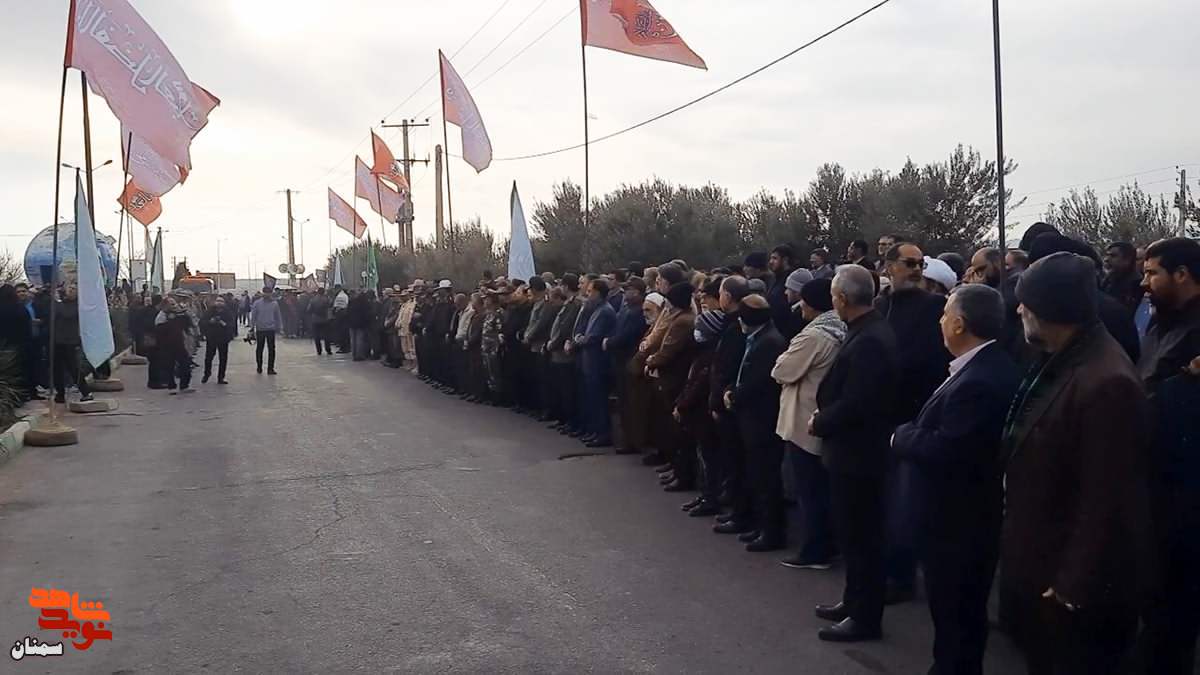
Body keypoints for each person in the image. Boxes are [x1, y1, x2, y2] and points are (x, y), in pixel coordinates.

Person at [1001, 252, 1152, 674]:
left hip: (1073, 590)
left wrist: (1071, 586)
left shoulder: (1107, 382)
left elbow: (1107, 497)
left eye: (1027, 304)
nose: (1019, 311)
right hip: (1041, 562)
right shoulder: (1063, 357)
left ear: (1052, 309)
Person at [892, 284, 1019, 675]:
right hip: (956, 521)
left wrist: (901, 436)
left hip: (957, 524)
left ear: (960, 324)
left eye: (946, 313)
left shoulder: (980, 381)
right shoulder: (978, 367)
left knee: (957, 617)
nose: (940, 321)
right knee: (954, 618)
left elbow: (947, 448)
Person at [811, 264, 899, 643]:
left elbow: (858, 402)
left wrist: (821, 421)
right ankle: (853, 600)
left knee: (863, 538)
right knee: (851, 536)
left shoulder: (871, 340)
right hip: (850, 452)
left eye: (834, 296)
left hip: (860, 455)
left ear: (843, 299)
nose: (833, 302)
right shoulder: (864, 330)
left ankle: (865, 617)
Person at [1135, 237, 1200, 674]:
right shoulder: (1164, 322)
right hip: (1154, 483)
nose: (1144, 282)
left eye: (1152, 273)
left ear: (1181, 274)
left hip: (1186, 496)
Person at [877, 242, 950, 603]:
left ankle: (902, 577)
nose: (917, 269)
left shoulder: (934, 307)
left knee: (904, 502)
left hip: (916, 416)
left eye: (920, 263)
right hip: (879, 418)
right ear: (889, 266)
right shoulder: (879, 306)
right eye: (909, 263)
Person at [772, 277, 844, 570]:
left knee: (809, 489)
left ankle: (815, 549)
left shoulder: (814, 335)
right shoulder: (841, 328)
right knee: (821, 488)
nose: (799, 305)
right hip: (822, 414)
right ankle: (828, 543)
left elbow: (782, 370)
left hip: (805, 418)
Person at [720, 293, 788, 552]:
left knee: (766, 477)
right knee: (755, 474)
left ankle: (771, 531)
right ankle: (758, 524)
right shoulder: (758, 337)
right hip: (750, 417)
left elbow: (759, 382)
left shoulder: (770, 342)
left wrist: (734, 396)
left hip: (762, 418)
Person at [645, 282, 698, 488]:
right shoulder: (679, 318)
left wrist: (652, 361)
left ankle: (683, 474)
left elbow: (669, 350)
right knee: (672, 428)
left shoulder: (682, 321)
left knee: (679, 430)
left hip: (675, 377)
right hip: (672, 376)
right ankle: (676, 467)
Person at [675, 304, 724, 516]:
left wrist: (682, 405)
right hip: (697, 414)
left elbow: (699, 385)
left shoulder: (711, 355)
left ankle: (710, 498)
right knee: (703, 455)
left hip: (703, 413)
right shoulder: (702, 353)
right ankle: (705, 495)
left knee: (709, 458)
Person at [605, 277, 648, 452]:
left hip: (629, 358)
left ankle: (633, 441)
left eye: (629, 290)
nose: (626, 293)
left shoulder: (638, 312)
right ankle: (626, 438)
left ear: (637, 292)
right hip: (620, 359)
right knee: (624, 402)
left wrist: (610, 342)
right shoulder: (626, 309)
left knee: (631, 404)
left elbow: (628, 335)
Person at [575, 279, 618, 447]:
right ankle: (595, 431)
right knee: (593, 399)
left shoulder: (605, 311)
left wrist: (579, 340)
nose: (587, 294)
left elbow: (594, 337)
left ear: (598, 293)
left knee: (599, 400)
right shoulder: (596, 309)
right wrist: (580, 337)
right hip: (591, 362)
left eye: (590, 291)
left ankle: (603, 434)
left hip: (598, 362)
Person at [51, 283, 95, 404]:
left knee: (73, 368)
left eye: (74, 289)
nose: (71, 290)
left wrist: (57, 303)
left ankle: (86, 392)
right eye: (69, 288)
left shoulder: (77, 305)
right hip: (57, 340)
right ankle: (60, 393)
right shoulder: (60, 303)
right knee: (57, 369)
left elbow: (68, 314)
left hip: (70, 341)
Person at [154, 295, 194, 393]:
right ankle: (171, 386)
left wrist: (184, 314)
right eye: (171, 304)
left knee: (185, 364)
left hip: (179, 343)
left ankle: (184, 385)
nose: (174, 306)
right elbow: (159, 331)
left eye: (174, 303)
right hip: (167, 345)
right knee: (169, 366)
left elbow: (188, 324)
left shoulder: (180, 314)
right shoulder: (162, 316)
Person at [200, 295, 235, 384]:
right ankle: (207, 374)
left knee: (223, 359)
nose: (219, 303)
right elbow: (202, 322)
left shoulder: (227, 312)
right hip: (212, 337)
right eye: (218, 301)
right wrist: (210, 322)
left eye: (221, 301)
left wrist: (223, 323)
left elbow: (231, 324)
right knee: (209, 357)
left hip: (223, 338)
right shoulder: (209, 312)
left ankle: (221, 377)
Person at [1102, 241, 1143, 314]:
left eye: (1113, 256)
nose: (1106, 259)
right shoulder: (1108, 280)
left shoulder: (1138, 285)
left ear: (1127, 259)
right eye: (1107, 255)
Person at [250, 287, 282, 374]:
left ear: (271, 293)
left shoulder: (274, 304)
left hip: (271, 329)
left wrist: (279, 327)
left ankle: (270, 368)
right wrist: (252, 327)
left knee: (271, 349)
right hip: (260, 329)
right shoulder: (257, 303)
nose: (267, 294)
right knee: (259, 348)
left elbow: (278, 316)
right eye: (265, 292)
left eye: (268, 293)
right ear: (263, 293)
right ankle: (259, 366)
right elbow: (253, 316)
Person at [767, 244, 797, 334]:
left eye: (775, 258)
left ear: (785, 260)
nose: (771, 262)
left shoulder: (792, 280)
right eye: (771, 258)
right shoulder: (775, 279)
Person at [308, 288, 333, 356]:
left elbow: (309, 310)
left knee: (317, 336)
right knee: (327, 336)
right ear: (323, 292)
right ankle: (328, 350)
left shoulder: (313, 300)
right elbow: (330, 306)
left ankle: (319, 350)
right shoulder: (326, 299)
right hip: (325, 319)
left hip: (315, 320)